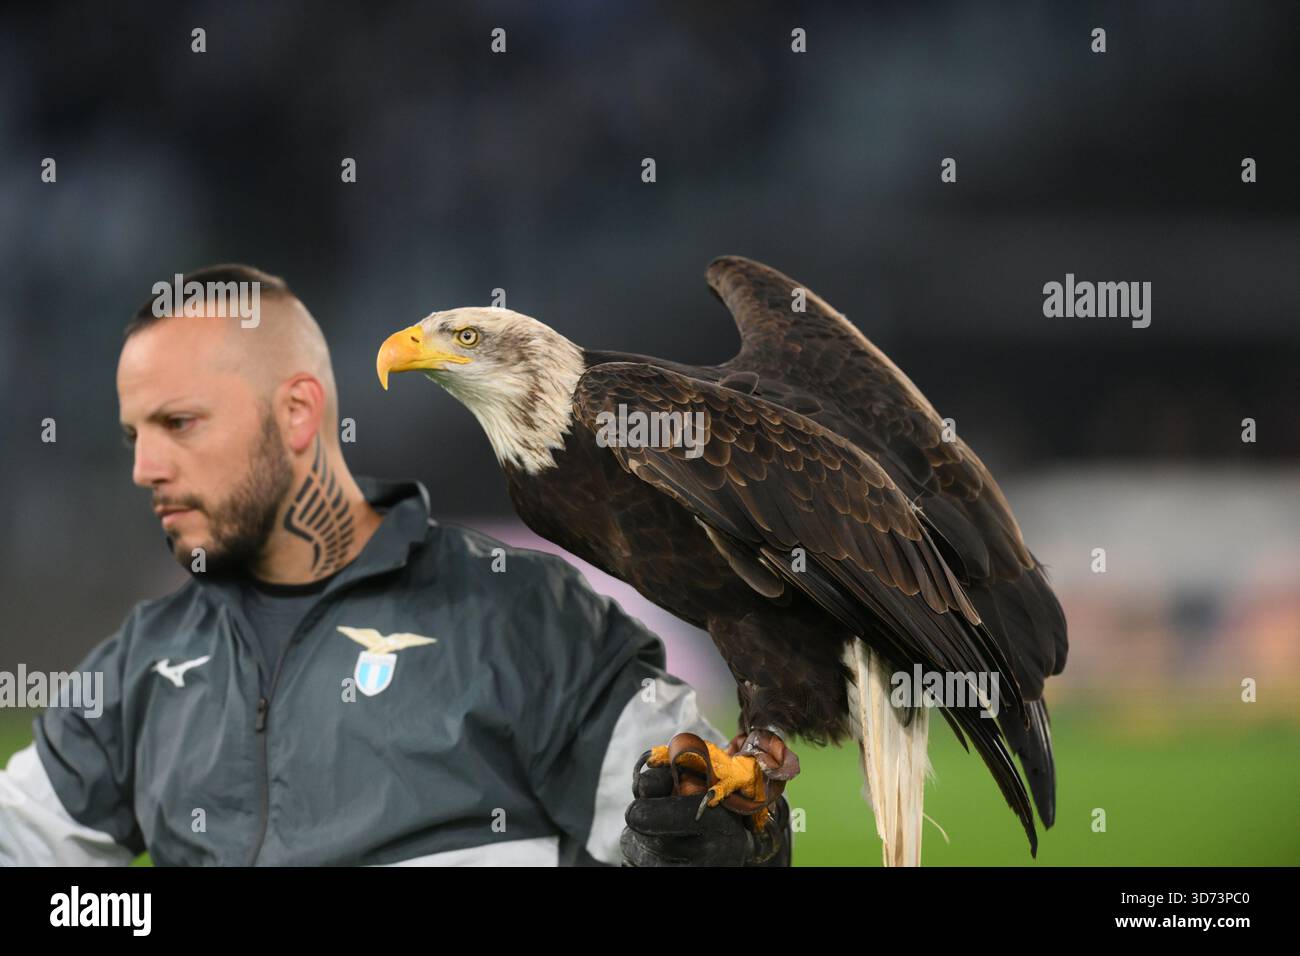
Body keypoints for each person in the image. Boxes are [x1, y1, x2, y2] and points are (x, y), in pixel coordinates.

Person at [0, 264, 789, 866]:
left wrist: (718, 839)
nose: (145, 467)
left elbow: (694, 824)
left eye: (178, 423)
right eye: (135, 434)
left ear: (298, 413)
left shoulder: (523, 618)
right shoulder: (147, 663)